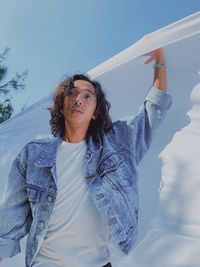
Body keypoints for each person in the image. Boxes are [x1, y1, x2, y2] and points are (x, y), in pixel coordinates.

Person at [0, 48, 172, 267]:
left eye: (87, 95)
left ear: (96, 112)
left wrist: (160, 61)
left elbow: (152, 112)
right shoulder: (32, 154)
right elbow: (9, 218)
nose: (78, 99)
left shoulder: (116, 143)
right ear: (61, 106)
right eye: (71, 93)